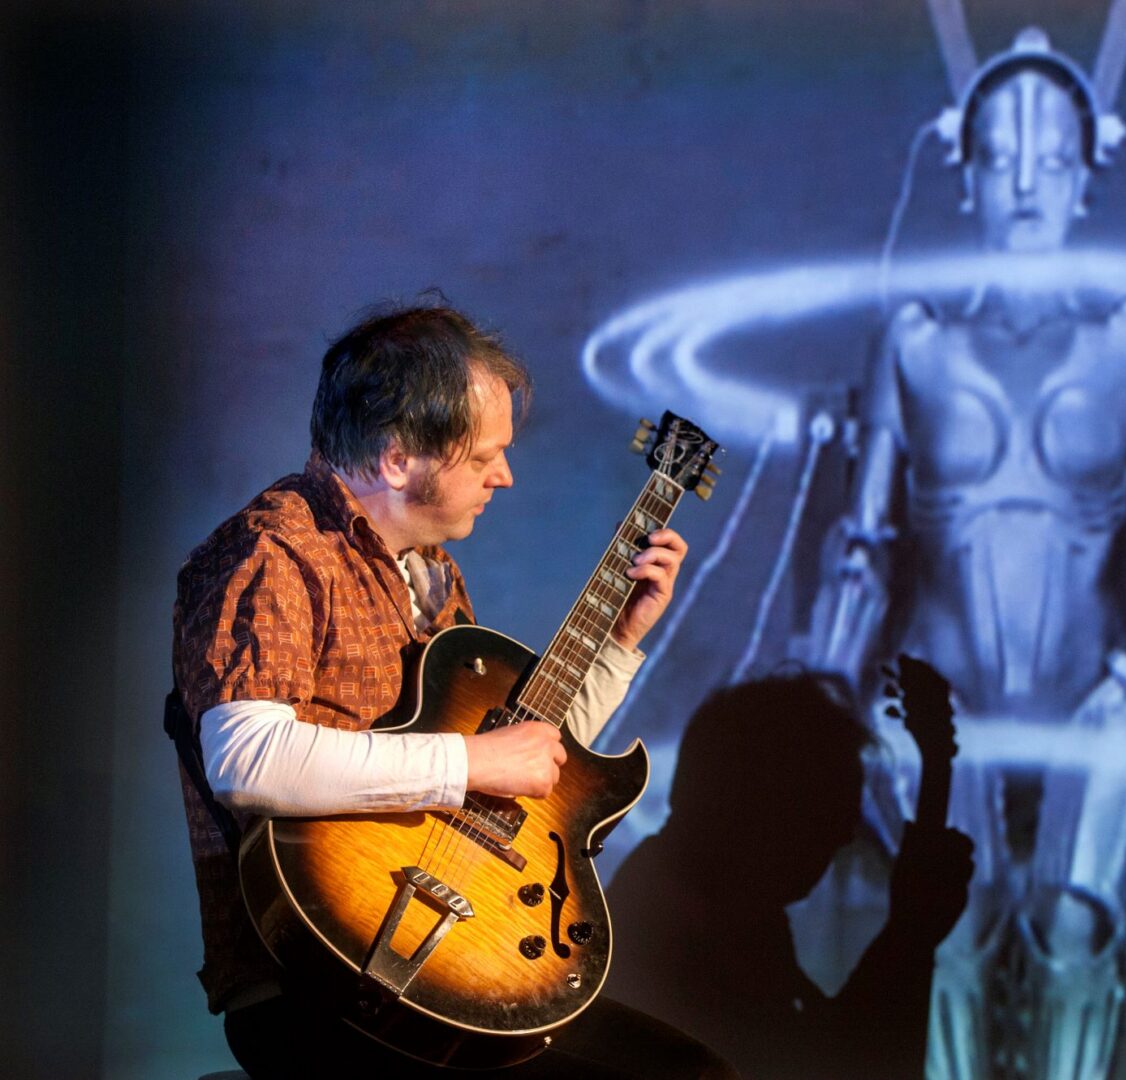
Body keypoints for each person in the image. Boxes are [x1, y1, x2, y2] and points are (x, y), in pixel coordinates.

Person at [799, 29, 1126, 1080]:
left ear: (1087, 177)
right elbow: (862, 548)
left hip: (1103, 693)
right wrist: (822, 693)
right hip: (934, 695)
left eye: (1052, 158)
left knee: (1073, 923)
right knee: (947, 927)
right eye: (1003, 156)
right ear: (967, 175)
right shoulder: (911, 341)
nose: (1027, 181)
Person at [171, 302, 737, 1079]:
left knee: (692, 1070)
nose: (504, 476)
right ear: (399, 459)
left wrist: (617, 644)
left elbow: (527, 760)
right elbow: (246, 759)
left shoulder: (430, 574)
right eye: (483, 458)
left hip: (451, 962)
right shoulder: (273, 552)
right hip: (316, 986)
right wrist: (471, 764)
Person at [610, 671, 974, 1080]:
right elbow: (823, 1060)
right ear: (761, 799)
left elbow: (823, 1045)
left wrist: (908, 931)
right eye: (830, 809)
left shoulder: (730, 908)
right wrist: (908, 933)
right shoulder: (673, 928)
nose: (845, 837)